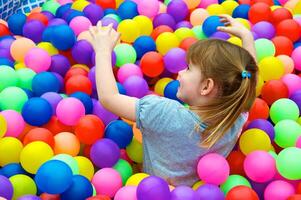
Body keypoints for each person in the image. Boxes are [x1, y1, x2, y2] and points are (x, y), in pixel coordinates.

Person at [89, 14, 258, 186]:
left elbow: (109, 98)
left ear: (206, 86)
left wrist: (103, 51)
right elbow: (248, 80)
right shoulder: (233, 117)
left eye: (188, 68)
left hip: (151, 192)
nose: (180, 72)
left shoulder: (164, 113)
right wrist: (247, 38)